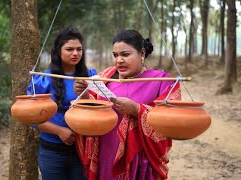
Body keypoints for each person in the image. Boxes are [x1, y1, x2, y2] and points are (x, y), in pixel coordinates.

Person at [74, 29, 181, 180]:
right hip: (105, 150)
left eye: (125, 54)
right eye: (115, 55)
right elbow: (94, 107)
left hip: (138, 157)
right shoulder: (107, 76)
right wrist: (84, 94)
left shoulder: (160, 81)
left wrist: (136, 109)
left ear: (142, 53)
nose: (119, 60)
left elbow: (172, 119)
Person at [27, 27, 97, 180]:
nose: (75, 53)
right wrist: (59, 131)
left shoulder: (91, 77)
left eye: (79, 49)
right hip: (52, 150)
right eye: (69, 49)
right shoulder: (44, 79)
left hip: (83, 149)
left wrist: (85, 94)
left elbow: (100, 108)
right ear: (58, 51)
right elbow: (31, 117)